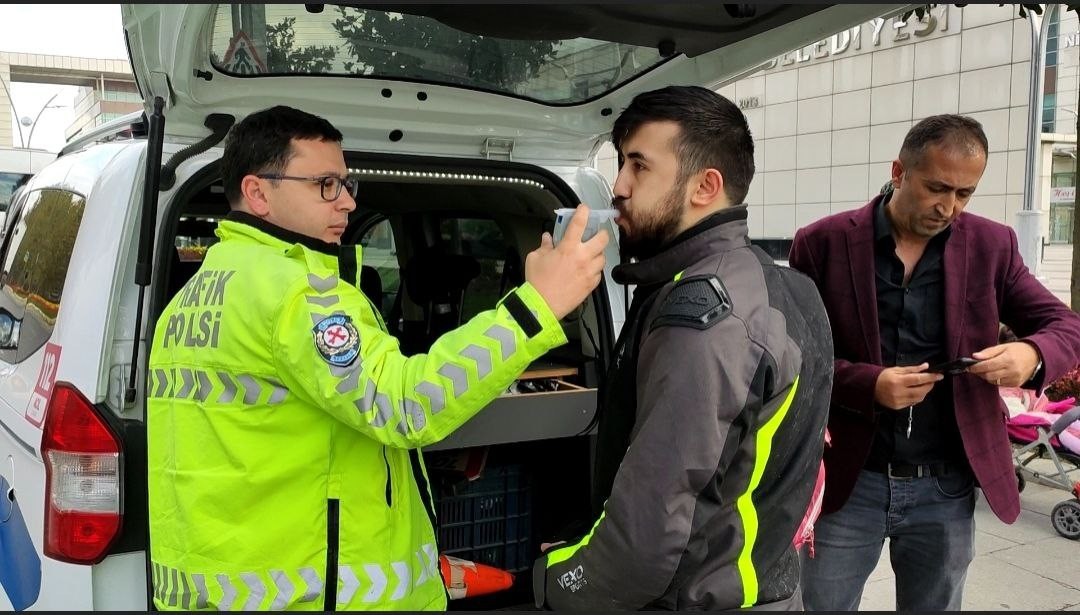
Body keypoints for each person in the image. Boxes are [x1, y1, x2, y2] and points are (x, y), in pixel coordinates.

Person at [146, 105, 608, 611]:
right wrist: (536, 306)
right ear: (258, 193)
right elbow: (406, 404)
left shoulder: (194, 297)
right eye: (325, 184)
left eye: (346, 184)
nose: (345, 202)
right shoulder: (300, 295)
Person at [531, 86, 834, 611]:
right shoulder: (786, 287)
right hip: (762, 589)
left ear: (705, 186)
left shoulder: (701, 317)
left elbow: (646, 537)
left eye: (638, 166)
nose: (619, 187)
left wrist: (554, 581)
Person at [789, 114, 1080, 611]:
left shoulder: (992, 245)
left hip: (944, 487)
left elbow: (1066, 326)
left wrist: (1031, 354)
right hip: (848, 479)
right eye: (937, 187)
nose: (949, 206)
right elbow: (792, 353)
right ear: (899, 171)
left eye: (965, 193)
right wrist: (867, 383)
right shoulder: (823, 242)